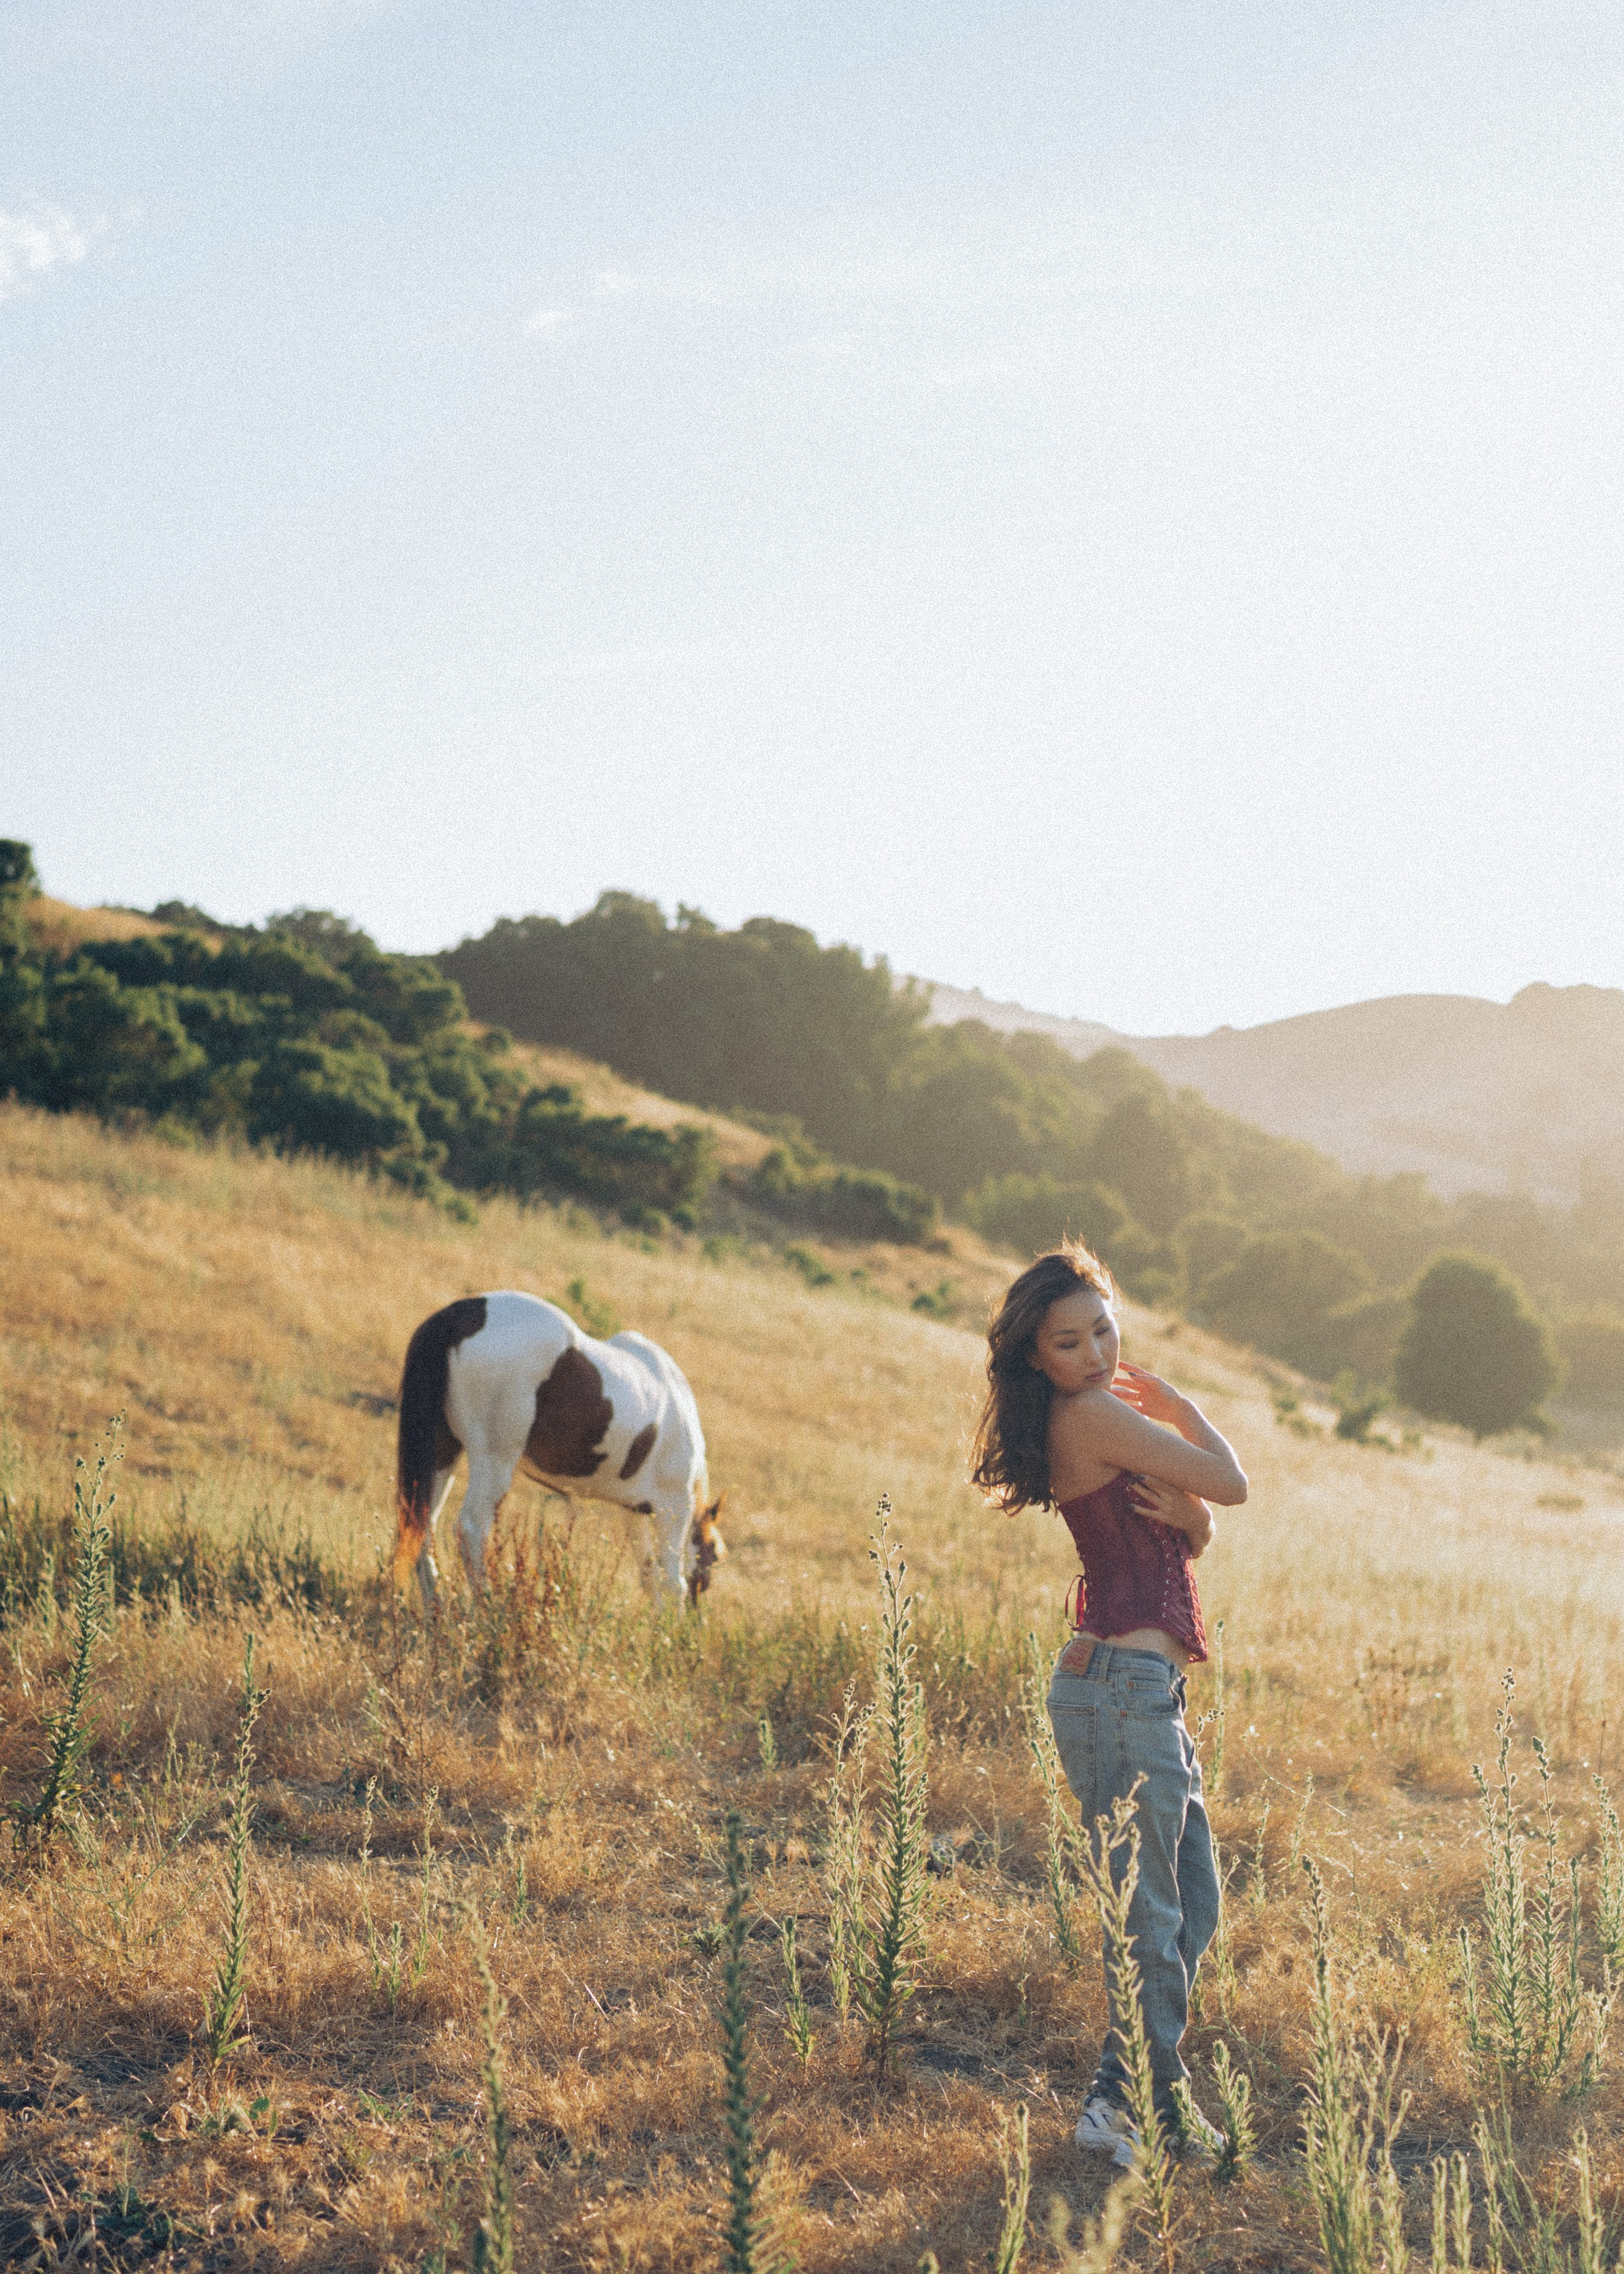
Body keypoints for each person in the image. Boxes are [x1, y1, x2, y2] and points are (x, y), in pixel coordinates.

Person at [971, 1242, 1248, 2165]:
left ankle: (1115, 2098)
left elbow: (1191, 1532)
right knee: (1155, 1919)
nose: (1092, 1352)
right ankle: (1142, 2113)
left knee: (1189, 1906)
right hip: (1118, 1692)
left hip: (1141, 1690)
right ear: (1036, 1359)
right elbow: (1232, 1485)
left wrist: (1195, 1520)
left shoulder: (1091, 1417)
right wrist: (1185, 1410)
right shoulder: (1092, 1414)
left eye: (1102, 1329)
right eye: (1067, 1342)